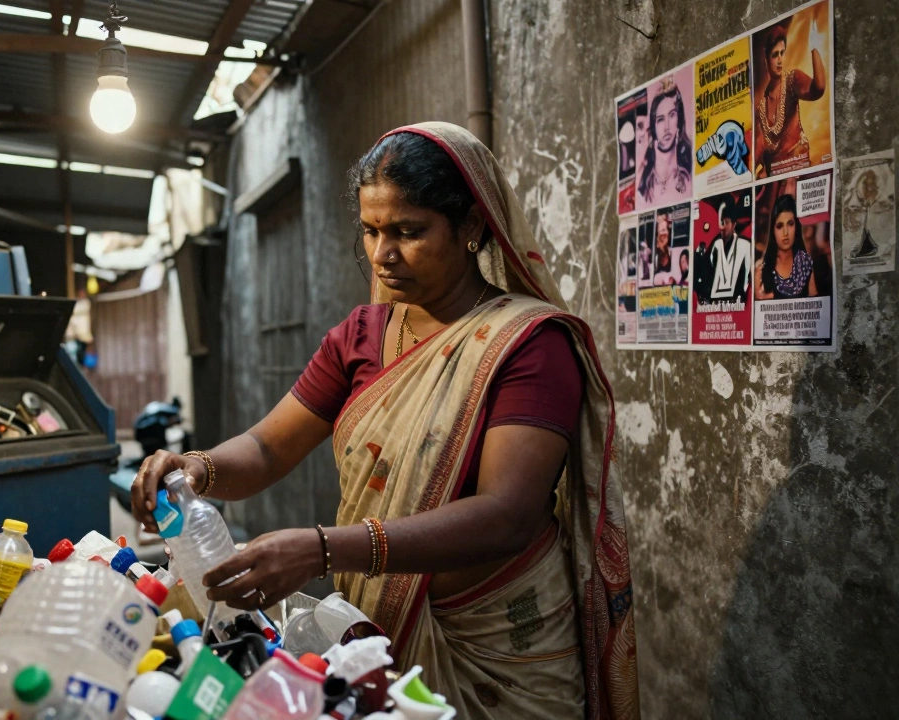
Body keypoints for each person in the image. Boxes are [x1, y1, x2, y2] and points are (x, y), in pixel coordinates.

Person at [132, 123, 638, 719]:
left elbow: (508, 514)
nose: (382, 254)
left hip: (501, 646)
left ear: (472, 226)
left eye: (408, 232)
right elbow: (269, 450)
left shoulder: (526, 344)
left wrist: (324, 550)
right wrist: (199, 467)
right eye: (371, 231)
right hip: (375, 638)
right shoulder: (362, 336)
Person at [755, 21, 826, 178]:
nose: (780, 59)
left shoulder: (792, 80)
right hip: (776, 179)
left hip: (798, 170)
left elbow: (818, 88)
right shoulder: (760, 105)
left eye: (782, 53)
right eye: (775, 55)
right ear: (766, 58)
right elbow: (763, 150)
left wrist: (814, 49)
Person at [637, 80, 691, 205]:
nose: (666, 127)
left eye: (672, 115)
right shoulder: (645, 186)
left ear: (679, 119)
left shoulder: (688, 176)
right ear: (653, 126)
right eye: (660, 120)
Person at [755, 193, 819, 300]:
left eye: (790, 224)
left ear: (796, 227)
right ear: (773, 231)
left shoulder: (805, 263)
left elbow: (816, 302)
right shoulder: (761, 268)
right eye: (779, 226)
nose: (786, 232)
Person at [707, 201, 752, 303]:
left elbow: (748, 275)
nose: (723, 227)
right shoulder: (716, 246)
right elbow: (710, 270)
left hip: (737, 302)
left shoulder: (745, 245)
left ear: (733, 225)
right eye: (721, 222)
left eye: (727, 222)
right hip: (715, 303)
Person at [651, 212, 677, 285]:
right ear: (656, 234)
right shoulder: (652, 252)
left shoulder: (671, 251)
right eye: (662, 230)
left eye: (666, 229)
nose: (665, 233)